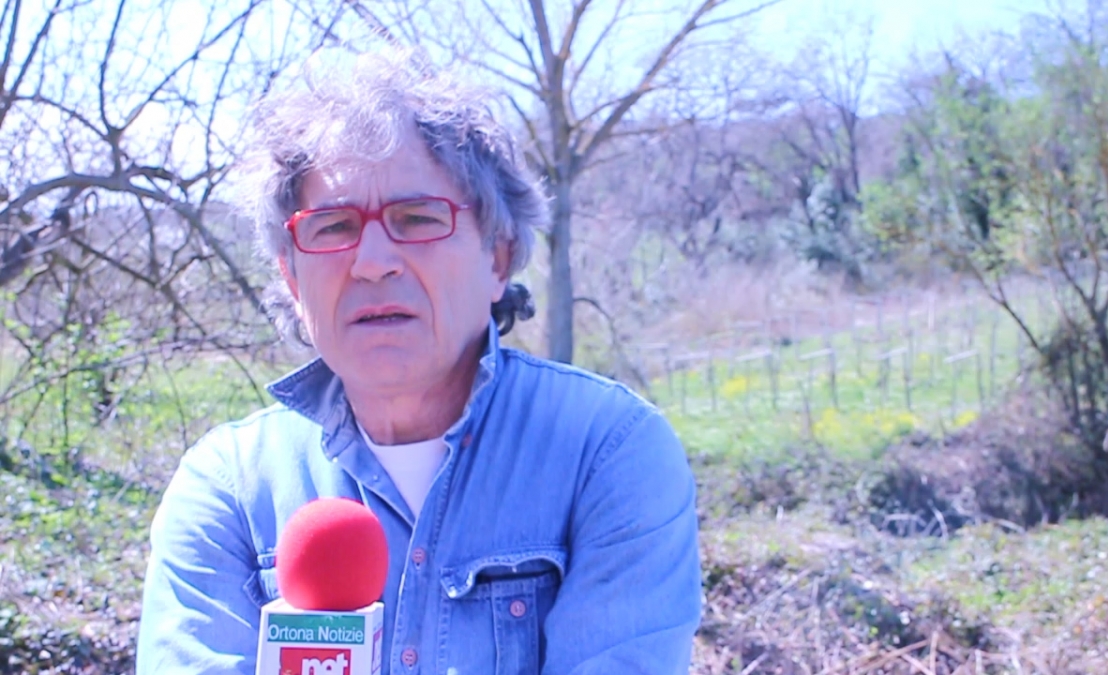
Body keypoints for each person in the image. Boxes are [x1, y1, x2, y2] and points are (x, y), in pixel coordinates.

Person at [135, 48, 702, 674]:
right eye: (332, 227)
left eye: (416, 219)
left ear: (497, 258)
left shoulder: (608, 452)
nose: (373, 262)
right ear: (293, 280)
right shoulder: (229, 488)